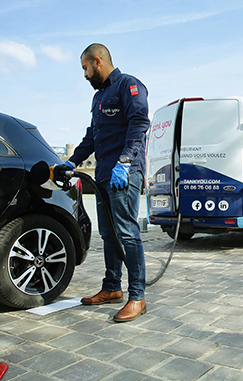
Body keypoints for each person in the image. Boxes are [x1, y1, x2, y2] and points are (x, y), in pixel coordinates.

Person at [59, 43, 149, 322]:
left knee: (126, 232)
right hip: (103, 176)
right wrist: (71, 162)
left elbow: (138, 123)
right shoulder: (98, 97)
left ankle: (137, 296)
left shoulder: (128, 85)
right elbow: (92, 137)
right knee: (108, 234)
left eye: (85, 68)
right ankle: (112, 288)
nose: (84, 74)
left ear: (97, 61)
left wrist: (125, 161)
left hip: (124, 172)